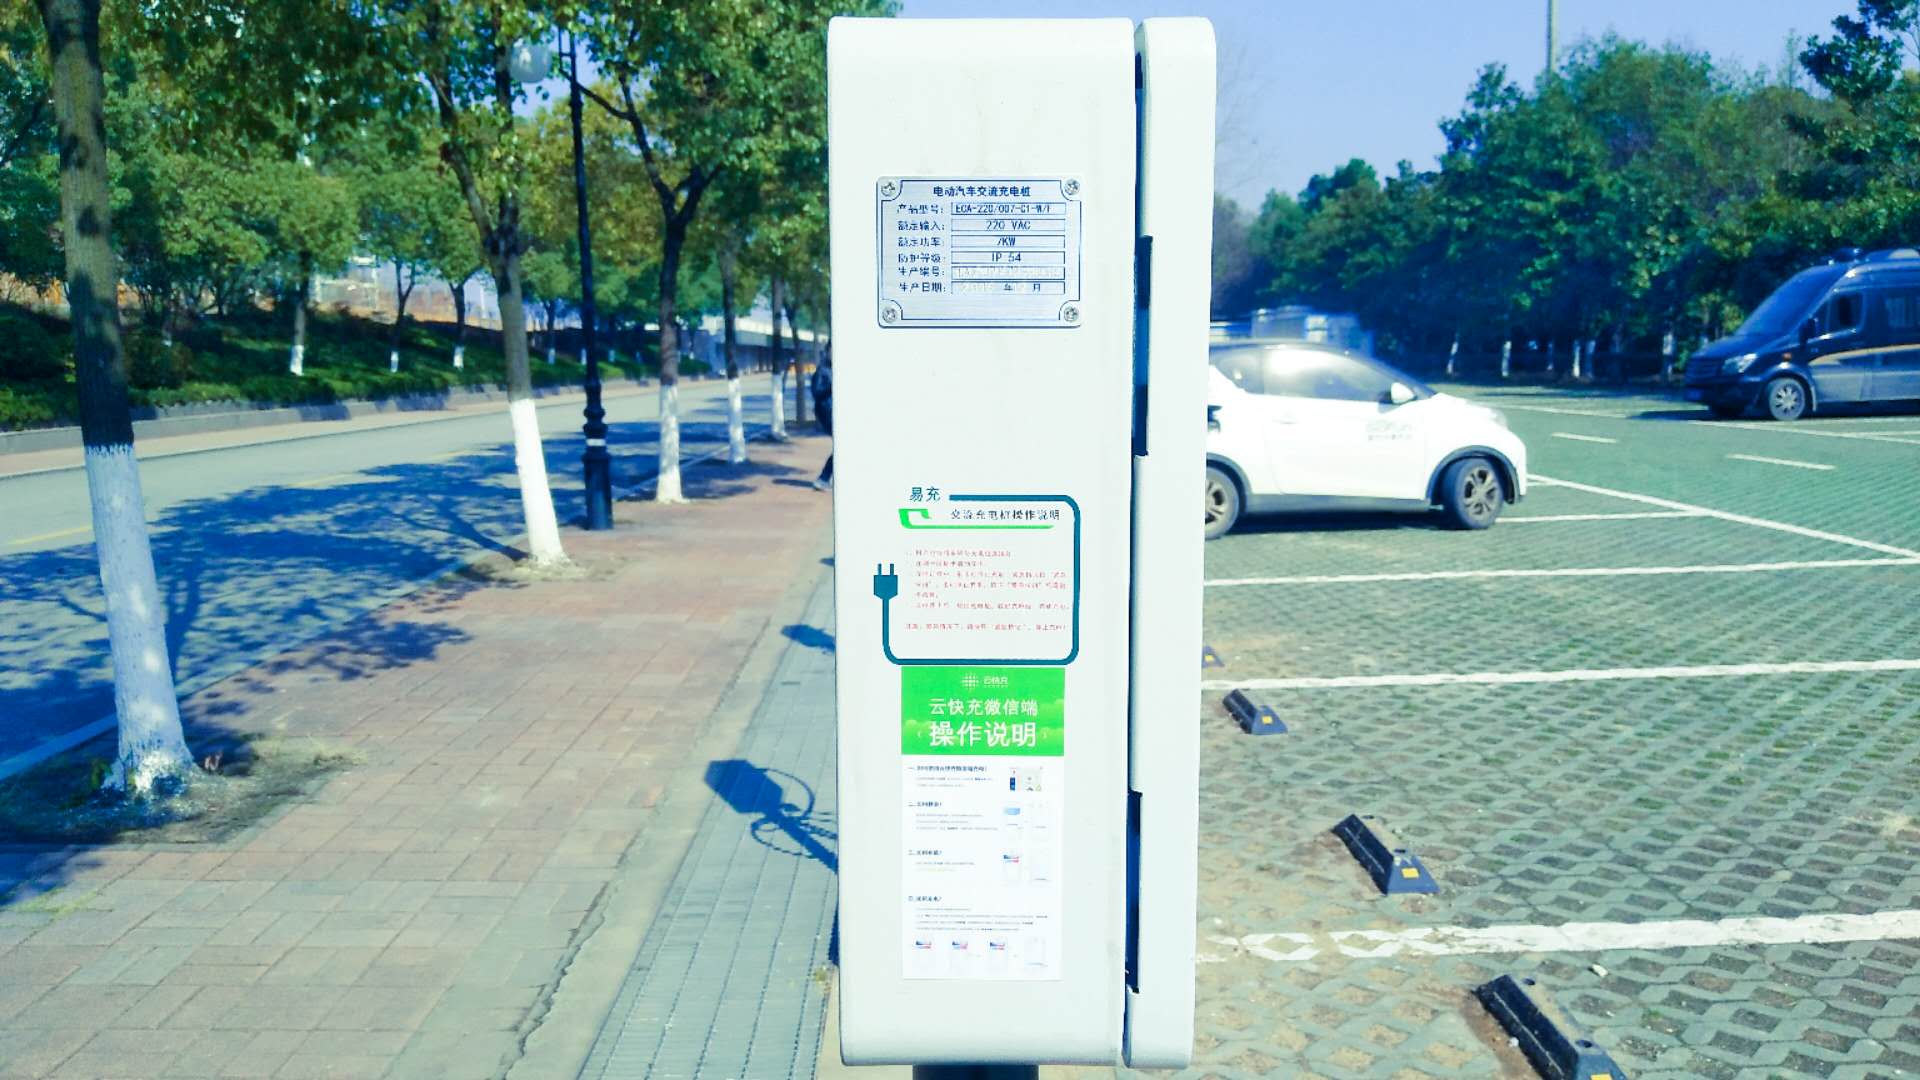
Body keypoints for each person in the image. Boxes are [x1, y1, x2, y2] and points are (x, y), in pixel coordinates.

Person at [811, 349, 833, 491]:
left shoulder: (833, 370)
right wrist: (831, 386)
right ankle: (823, 479)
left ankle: (824, 478)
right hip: (826, 412)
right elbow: (816, 392)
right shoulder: (822, 371)